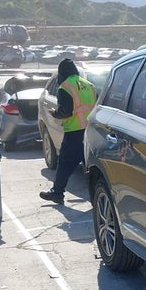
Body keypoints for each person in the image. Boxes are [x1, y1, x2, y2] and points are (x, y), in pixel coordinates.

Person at [39, 58, 97, 204]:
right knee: (89, 165)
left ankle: (57, 193)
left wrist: (55, 113)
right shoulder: (89, 85)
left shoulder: (65, 87)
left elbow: (65, 112)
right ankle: (95, 197)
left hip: (74, 132)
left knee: (64, 163)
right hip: (89, 131)